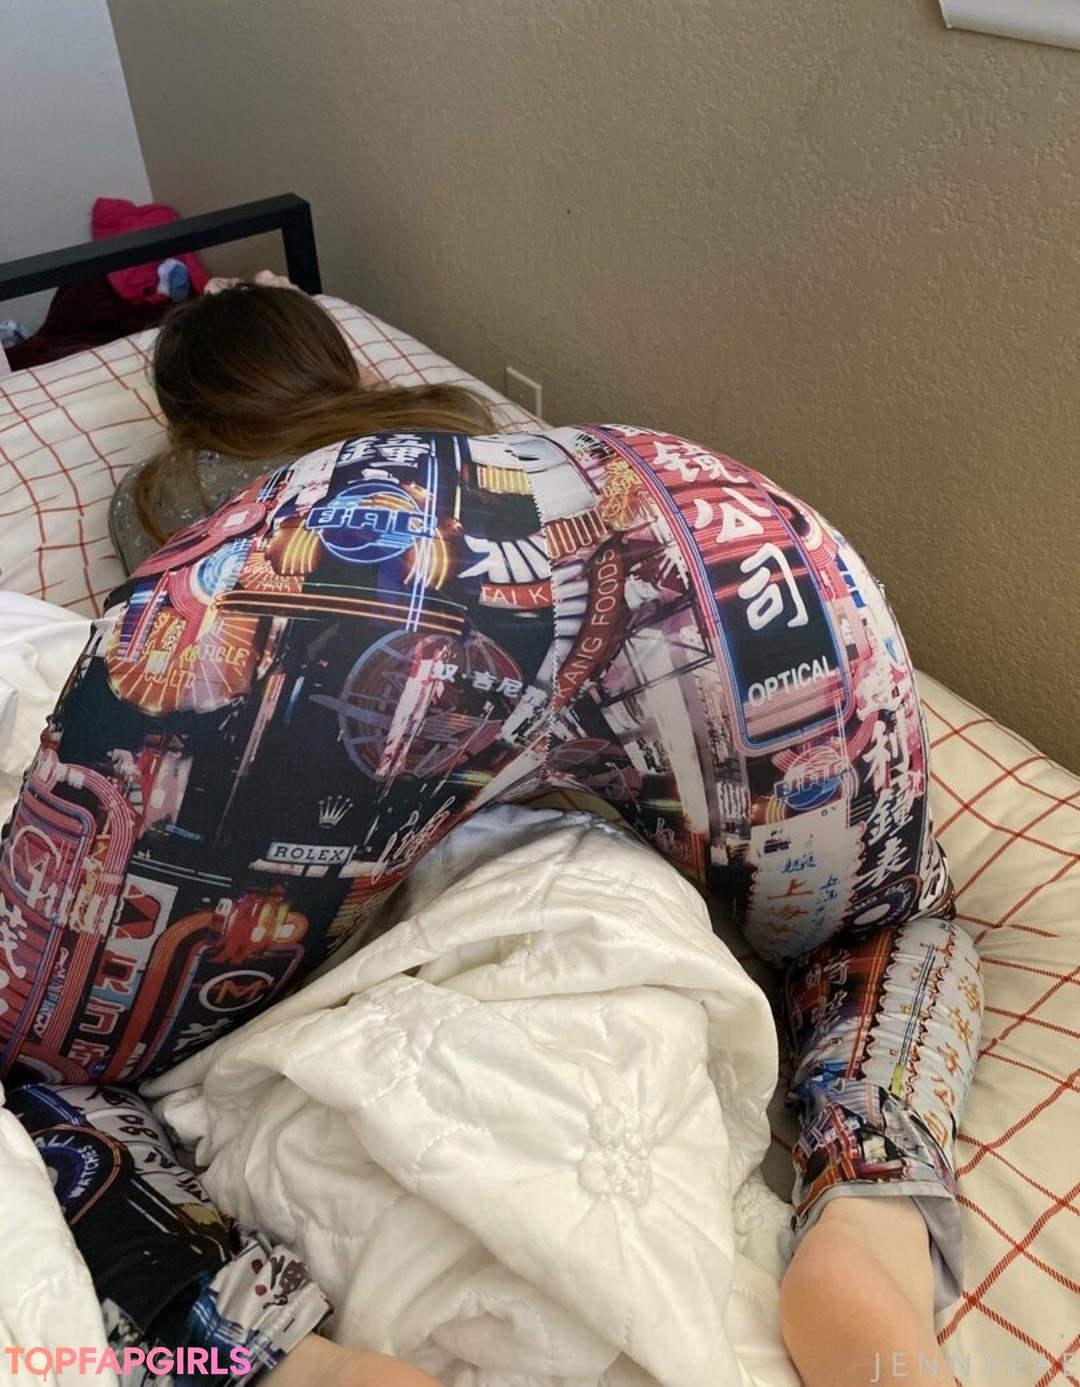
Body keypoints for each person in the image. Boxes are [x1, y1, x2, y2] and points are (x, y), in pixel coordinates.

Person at [0, 282, 983, 1387]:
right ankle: (871, 1224)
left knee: (40, 1056)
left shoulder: (165, 495)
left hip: (290, 610)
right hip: (728, 543)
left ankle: (281, 1355)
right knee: (896, 920)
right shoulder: (450, 413)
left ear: (185, 409)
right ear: (338, 362)